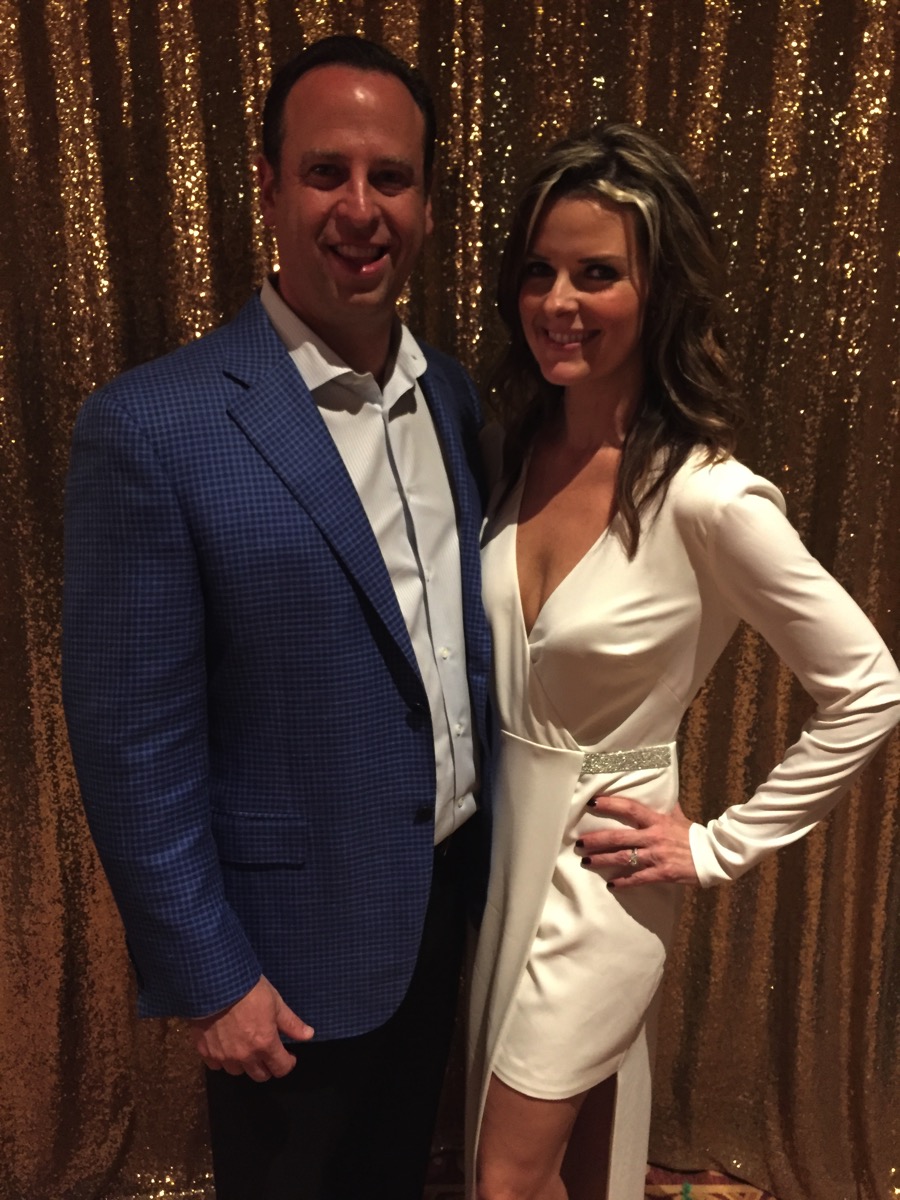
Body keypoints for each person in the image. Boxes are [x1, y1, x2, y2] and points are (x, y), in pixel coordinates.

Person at [62, 35, 491, 1200]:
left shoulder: (453, 397)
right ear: (267, 185)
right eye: (325, 172)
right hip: (286, 961)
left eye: (391, 177)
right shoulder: (152, 427)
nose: (361, 208)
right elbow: (132, 747)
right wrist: (210, 976)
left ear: (427, 202)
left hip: (447, 908)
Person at [466, 123, 900, 1200]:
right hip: (499, 852)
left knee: (504, 1177)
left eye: (596, 274)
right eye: (539, 271)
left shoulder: (708, 499)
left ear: (658, 293)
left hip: (598, 871)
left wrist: (716, 847)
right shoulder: (514, 453)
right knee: (572, 1158)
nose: (557, 301)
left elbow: (868, 687)